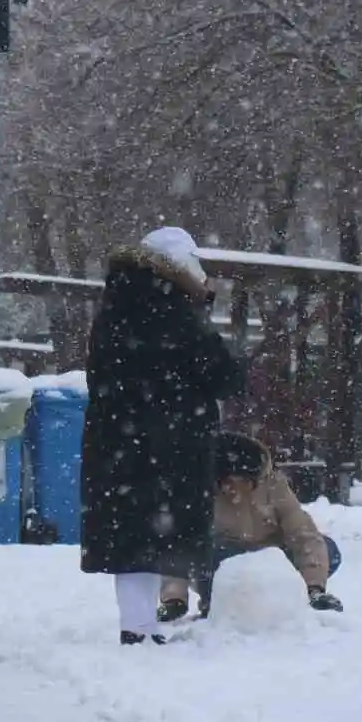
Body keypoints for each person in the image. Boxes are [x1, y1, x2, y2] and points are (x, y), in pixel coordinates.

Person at [80, 227, 245, 644]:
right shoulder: (175, 311)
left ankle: (136, 625)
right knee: (156, 532)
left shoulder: (114, 308)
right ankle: (143, 628)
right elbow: (221, 374)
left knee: (129, 533)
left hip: (119, 440)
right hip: (170, 441)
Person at [158, 432, 345, 622]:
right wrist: (174, 598)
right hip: (221, 558)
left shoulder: (275, 486)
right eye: (228, 482)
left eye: (242, 481)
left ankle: (288, 598)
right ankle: (215, 604)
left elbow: (303, 533)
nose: (234, 489)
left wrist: (315, 588)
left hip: (273, 555)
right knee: (204, 557)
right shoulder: (196, 491)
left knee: (329, 550)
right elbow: (179, 545)